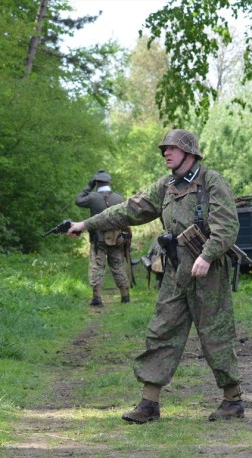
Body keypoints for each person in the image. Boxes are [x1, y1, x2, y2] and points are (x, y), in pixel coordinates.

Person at [67, 129, 243, 423]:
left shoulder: (211, 182)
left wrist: (207, 255)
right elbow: (128, 210)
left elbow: (226, 225)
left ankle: (233, 400)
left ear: (189, 152)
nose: (165, 153)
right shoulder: (167, 186)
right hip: (176, 272)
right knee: (161, 330)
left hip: (207, 272)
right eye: (164, 149)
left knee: (216, 334)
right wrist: (86, 223)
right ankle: (149, 403)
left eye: (171, 149)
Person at [74, 169, 131, 306]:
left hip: (98, 239)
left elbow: (78, 200)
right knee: (118, 266)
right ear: (109, 182)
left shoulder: (92, 197)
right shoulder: (118, 198)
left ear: (96, 182)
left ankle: (97, 298)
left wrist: (89, 186)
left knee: (97, 267)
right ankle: (125, 296)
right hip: (116, 238)